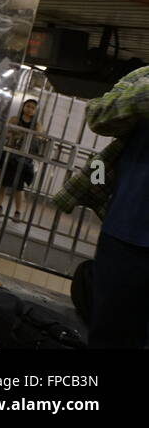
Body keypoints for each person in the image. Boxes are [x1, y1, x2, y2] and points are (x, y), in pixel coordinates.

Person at [53, 65, 149, 348]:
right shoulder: (143, 77)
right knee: (110, 336)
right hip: (128, 230)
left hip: (128, 228)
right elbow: (98, 116)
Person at [0, 97, 39, 220]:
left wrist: (18, 134)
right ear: (23, 107)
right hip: (9, 154)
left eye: (33, 108)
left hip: (23, 158)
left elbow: (37, 138)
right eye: (28, 106)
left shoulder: (37, 125)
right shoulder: (14, 119)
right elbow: (7, 132)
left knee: (19, 186)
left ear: (36, 111)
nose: (30, 109)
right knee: (3, 182)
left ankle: (18, 212)